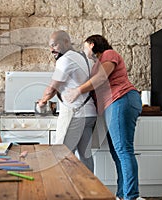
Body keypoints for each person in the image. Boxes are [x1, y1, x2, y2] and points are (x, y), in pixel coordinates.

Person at [65, 35, 142, 200]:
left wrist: (78, 90)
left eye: (85, 46)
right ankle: (122, 195)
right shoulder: (96, 65)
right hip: (113, 105)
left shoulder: (108, 54)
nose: (83, 49)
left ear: (92, 44)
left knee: (123, 150)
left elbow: (100, 79)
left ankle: (131, 196)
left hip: (121, 99)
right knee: (117, 153)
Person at [38, 30, 97, 172]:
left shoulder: (65, 60)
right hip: (89, 113)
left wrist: (42, 102)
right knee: (85, 156)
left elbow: (52, 87)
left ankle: (63, 190)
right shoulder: (86, 58)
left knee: (62, 154)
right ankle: (89, 190)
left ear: (66, 42)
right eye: (50, 46)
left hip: (75, 114)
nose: (52, 49)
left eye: (55, 45)